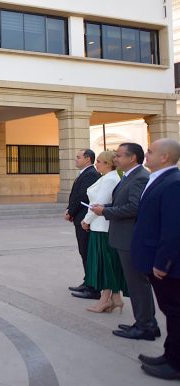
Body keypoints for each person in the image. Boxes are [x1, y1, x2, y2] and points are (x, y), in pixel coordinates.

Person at [91, 143, 159, 340]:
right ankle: (144, 322)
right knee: (136, 283)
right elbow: (123, 203)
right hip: (123, 237)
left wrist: (106, 211)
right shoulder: (129, 177)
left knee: (138, 284)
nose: (116, 159)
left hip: (130, 238)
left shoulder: (139, 178)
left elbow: (133, 207)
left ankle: (145, 325)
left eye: (119, 156)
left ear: (132, 158)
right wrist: (105, 207)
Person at [131, 139, 180, 380]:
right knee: (171, 312)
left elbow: (173, 230)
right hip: (153, 259)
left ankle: (176, 363)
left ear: (164, 157)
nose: (146, 154)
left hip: (166, 266)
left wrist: (163, 262)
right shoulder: (159, 179)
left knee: (175, 312)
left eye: (150, 151)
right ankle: (169, 355)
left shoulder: (173, 183)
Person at [80, 151, 126, 313]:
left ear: (108, 163)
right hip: (101, 226)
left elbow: (98, 204)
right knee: (107, 264)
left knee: (104, 264)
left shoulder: (110, 179)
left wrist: (86, 220)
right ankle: (115, 298)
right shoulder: (109, 178)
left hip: (102, 227)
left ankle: (104, 300)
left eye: (99, 161)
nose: (96, 164)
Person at [66, 149, 101, 299]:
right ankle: (88, 281)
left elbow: (82, 196)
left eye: (78, 157)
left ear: (88, 159)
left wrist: (71, 211)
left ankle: (93, 287)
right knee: (83, 251)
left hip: (83, 218)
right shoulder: (85, 173)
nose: (76, 160)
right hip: (79, 217)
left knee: (87, 252)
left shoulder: (91, 174)